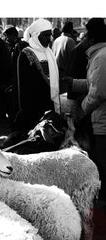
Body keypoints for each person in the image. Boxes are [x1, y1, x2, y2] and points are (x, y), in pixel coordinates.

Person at [62, 18, 106, 201]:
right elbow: (94, 83)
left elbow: (98, 93)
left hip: (103, 119)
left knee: (103, 162)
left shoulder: (102, 57)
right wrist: (74, 83)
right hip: (100, 117)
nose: (82, 37)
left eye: (85, 34)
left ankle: (102, 199)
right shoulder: (98, 55)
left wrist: (81, 109)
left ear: (92, 38)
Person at [14, 18, 60, 133]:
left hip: (48, 103)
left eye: (50, 35)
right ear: (36, 35)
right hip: (32, 105)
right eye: (45, 35)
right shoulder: (26, 53)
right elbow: (22, 86)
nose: (49, 39)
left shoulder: (49, 52)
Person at [2, 25, 28, 124]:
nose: (6, 38)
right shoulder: (10, 46)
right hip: (11, 79)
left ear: (14, 35)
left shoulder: (21, 46)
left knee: (16, 101)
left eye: (8, 36)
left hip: (17, 79)